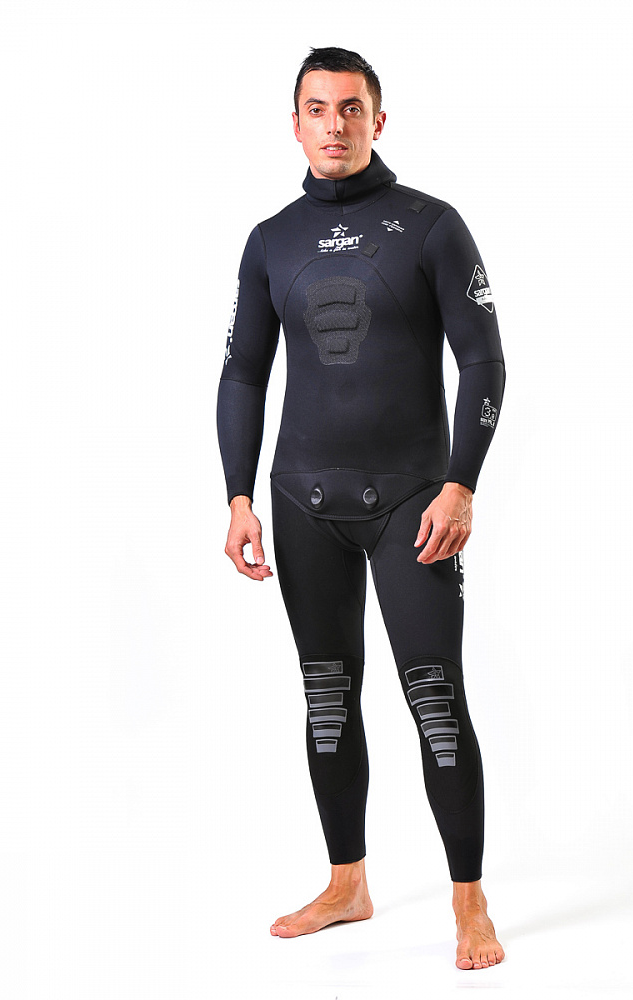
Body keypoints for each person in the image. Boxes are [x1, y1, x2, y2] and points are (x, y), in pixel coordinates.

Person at [216, 46, 506, 971]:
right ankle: (348, 883)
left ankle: (470, 903)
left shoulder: (430, 225)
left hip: (415, 502)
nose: (334, 124)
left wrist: (461, 483)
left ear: (378, 120)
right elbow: (243, 371)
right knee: (328, 696)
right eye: (317, 108)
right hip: (302, 500)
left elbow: (484, 359)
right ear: (295, 123)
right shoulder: (271, 240)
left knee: (435, 697)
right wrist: (237, 495)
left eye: (351, 108)